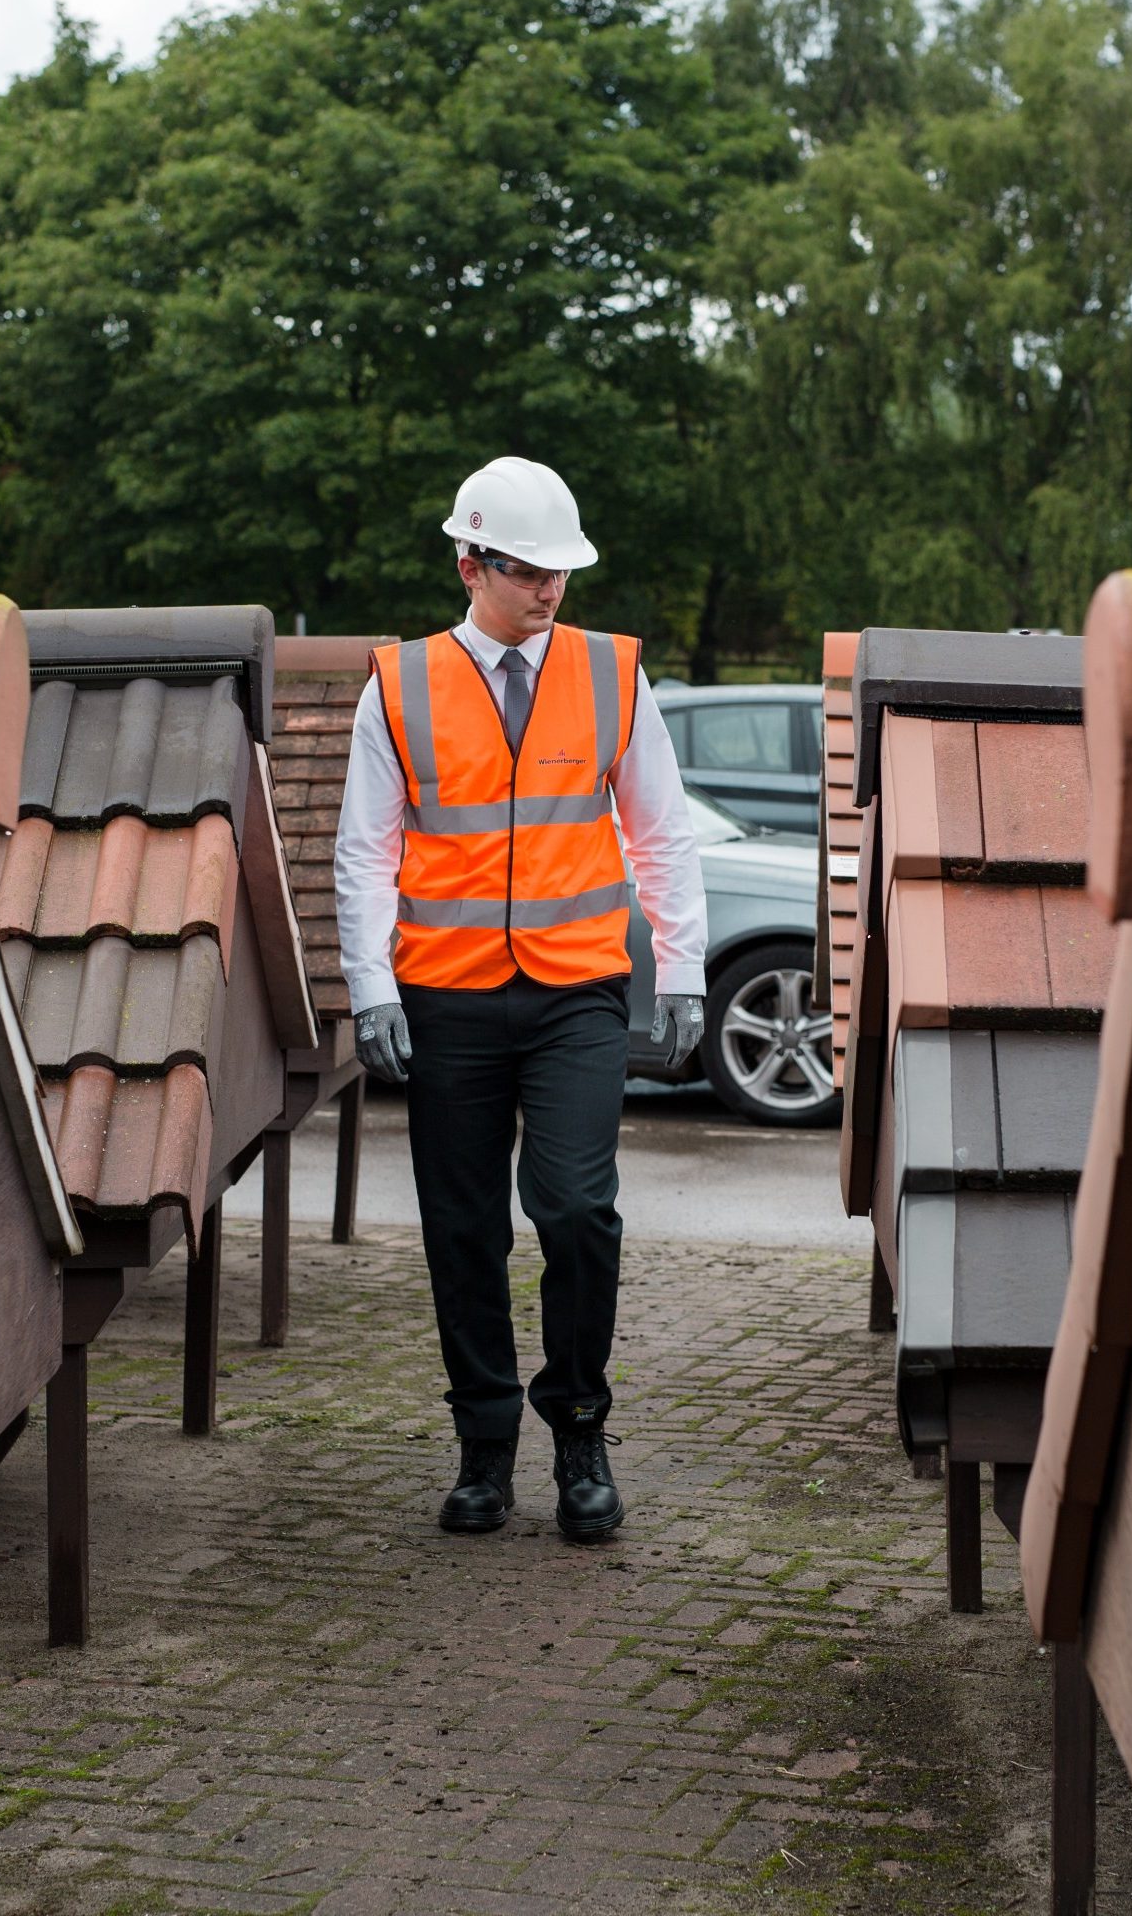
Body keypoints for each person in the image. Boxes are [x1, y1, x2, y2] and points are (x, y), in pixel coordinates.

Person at [333, 456, 707, 1544]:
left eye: (561, 570)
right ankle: (483, 1448)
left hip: (576, 990)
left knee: (577, 1210)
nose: (548, 589)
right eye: (528, 569)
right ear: (470, 562)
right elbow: (364, 850)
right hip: (443, 998)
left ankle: (579, 1430)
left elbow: (661, 828)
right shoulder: (396, 683)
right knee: (461, 1228)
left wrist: (679, 966)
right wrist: (369, 988)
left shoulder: (611, 673)